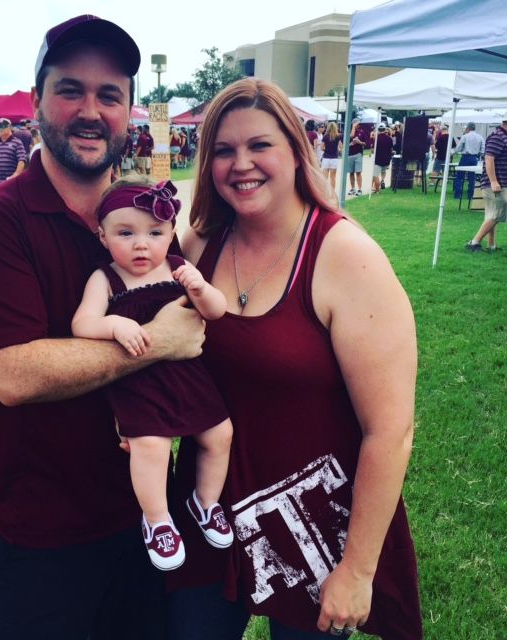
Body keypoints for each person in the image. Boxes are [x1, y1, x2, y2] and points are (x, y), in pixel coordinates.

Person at [0, 14, 206, 639]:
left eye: (110, 95)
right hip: (43, 536)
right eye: (70, 90)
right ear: (37, 100)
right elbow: (12, 374)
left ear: (130, 112)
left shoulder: (151, 220)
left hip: (149, 519)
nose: (91, 111)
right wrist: (157, 344)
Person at [167, 78, 422, 640]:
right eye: (224, 150)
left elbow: (390, 431)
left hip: (312, 523)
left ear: (295, 151)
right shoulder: (198, 246)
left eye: (260, 145)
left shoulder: (345, 255)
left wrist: (357, 570)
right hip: (208, 509)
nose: (241, 164)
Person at [72, 177, 234, 571]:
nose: (141, 244)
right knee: (151, 448)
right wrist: (113, 326)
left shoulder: (178, 267)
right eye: (125, 233)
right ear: (103, 235)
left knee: (220, 433)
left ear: (170, 233)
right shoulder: (105, 278)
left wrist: (200, 289)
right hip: (139, 382)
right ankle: (158, 519)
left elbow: (216, 311)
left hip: (187, 374)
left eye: (155, 232)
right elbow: (82, 323)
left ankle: (206, 501)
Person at [465, 117, 507, 253]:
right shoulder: (498, 137)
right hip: (495, 183)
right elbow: (489, 159)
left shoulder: (501, 136)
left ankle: (491, 245)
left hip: (498, 182)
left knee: (492, 215)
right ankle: (474, 242)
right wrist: (494, 181)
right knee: (496, 214)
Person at [454, 121, 485, 201]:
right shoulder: (480, 137)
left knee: (460, 176)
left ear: (468, 128)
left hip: (465, 157)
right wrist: (478, 154)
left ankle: (458, 195)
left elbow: (458, 148)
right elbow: (483, 150)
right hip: (474, 158)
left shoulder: (465, 136)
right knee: (472, 177)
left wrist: (460, 150)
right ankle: (471, 195)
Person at [0, 118, 26, 183]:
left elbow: (22, 160)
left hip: (11, 179)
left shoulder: (17, 142)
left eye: (3, 126)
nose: (0, 129)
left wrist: (16, 174)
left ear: (10, 127)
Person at [320, 121, 342, 191]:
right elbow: (341, 147)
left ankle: (325, 191)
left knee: (325, 177)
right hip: (334, 158)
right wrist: (337, 150)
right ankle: (332, 192)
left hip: (326, 158)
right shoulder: (337, 136)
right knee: (333, 177)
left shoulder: (325, 136)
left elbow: (321, 147)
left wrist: (325, 149)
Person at [372, 124, 393, 193]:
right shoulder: (390, 139)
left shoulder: (376, 138)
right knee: (383, 172)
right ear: (385, 130)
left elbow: (373, 150)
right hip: (386, 160)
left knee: (375, 175)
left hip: (378, 160)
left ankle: (377, 190)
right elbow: (391, 149)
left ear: (378, 130)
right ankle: (382, 181)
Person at [346, 118, 366, 196]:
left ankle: (359, 189)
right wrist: (353, 128)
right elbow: (350, 138)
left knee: (358, 172)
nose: (358, 125)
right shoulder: (349, 132)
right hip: (350, 154)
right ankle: (352, 188)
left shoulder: (362, 132)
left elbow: (365, 144)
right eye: (357, 124)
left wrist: (359, 142)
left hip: (358, 154)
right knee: (351, 172)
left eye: (358, 124)